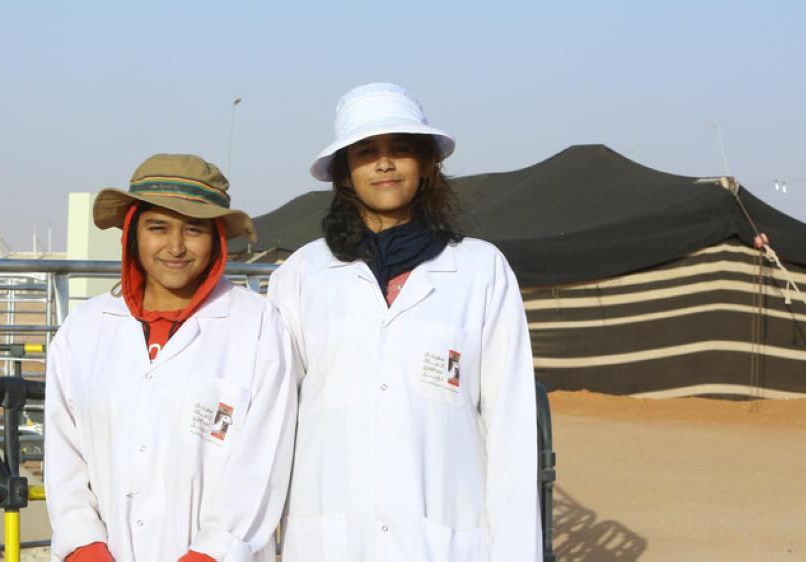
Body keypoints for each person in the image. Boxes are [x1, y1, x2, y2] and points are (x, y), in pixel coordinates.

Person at [268, 83, 541, 561]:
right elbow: (270, 423)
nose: (385, 163)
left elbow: (511, 428)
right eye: (367, 151)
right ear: (344, 173)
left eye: (401, 150)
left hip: (442, 538)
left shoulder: (480, 270)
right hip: (330, 540)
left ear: (427, 164)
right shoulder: (300, 276)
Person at [45, 154, 298, 562]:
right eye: (157, 227)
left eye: (193, 230)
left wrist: (212, 551)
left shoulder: (257, 326)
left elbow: (263, 462)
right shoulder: (86, 328)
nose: (175, 247)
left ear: (216, 238)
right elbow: (63, 449)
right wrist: (83, 543)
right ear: (132, 233)